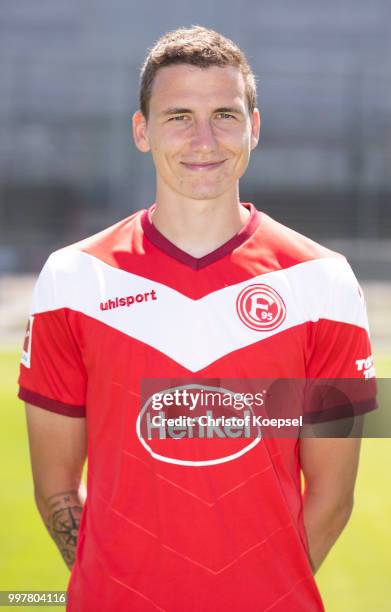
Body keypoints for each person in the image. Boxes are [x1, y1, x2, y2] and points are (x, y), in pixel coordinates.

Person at [19, 26, 376, 612]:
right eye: (179, 115)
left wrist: (256, 594)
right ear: (143, 131)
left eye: (226, 115)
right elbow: (55, 487)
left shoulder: (326, 282)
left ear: (254, 128)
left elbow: (334, 498)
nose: (204, 139)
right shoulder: (72, 279)